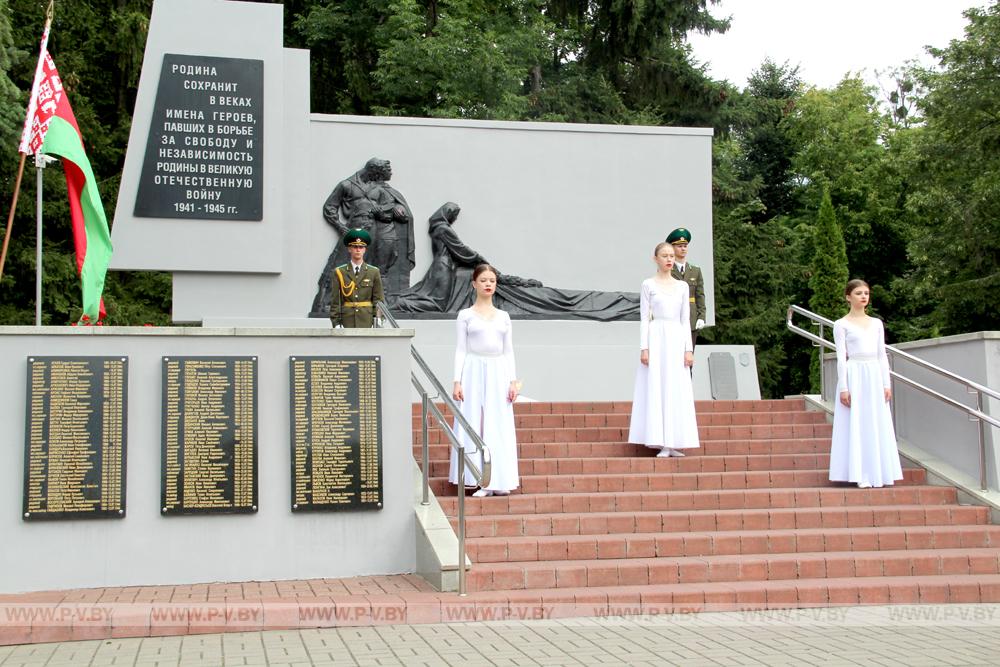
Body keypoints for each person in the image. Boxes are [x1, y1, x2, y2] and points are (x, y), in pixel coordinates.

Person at [449, 264, 520, 497]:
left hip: (499, 369)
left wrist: (513, 380)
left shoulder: (504, 316)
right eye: (484, 280)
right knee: (474, 420)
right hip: (472, 369)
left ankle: (499, 480)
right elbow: (461, 349)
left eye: (492, 280)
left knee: (498, 422)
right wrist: (457, 380)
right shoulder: (465, 315)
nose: (489, 284)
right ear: (474, 284)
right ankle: (479, 479)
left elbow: (508, 351)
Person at [310, 158, 414, 316]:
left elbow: (391, 203)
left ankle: (374, 305)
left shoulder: (378, 187)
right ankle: (327, 303)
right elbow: (330, 207)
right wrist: (341, 227)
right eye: (382, 174)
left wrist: (396, 207)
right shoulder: (347, 185)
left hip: (374, 233)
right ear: (374, 172)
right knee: (340, 266)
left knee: (372, 269)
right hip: (354, 230)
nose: (384, 177)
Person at [829, 279, 902, 488]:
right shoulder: (841, 324)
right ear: (848, 297)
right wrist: (844, 387)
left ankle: (879, 472)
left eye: (866, 293)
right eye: (859, 293)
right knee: (857, 422)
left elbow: (882, 355)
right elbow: (841, 358)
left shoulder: (877, 323)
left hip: (874, 375)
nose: (863, 297)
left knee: (876, 422)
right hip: (854, 374)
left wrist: (886, 383)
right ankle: (860, 473)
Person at [628, 243, 700, 457]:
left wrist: (688, 349)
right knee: (657, 385)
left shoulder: (682, 287)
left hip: (676, 338)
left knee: (675, 387)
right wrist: (644, 347)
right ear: (656, 258)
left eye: (671, 256)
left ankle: (674, 441)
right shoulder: (648, 284)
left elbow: (685, 319)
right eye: (665, 256)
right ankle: (660, 440)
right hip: (656, 336)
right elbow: (644, 318)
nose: (669, 259)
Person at [329, 229, 385, 329]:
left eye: (361, 247)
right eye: (355, 247)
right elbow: (335, 302)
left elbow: (378, 300)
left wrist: (378, 320)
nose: (358, 250)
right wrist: (336, 323)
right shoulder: (339, 272)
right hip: (347, 321)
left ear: (365, 249)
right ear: (349, 249)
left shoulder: (373, 272)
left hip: (367, 321)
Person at [666, 228, 706, 349]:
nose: (683, 248)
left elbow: (700, 295)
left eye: (685, 246)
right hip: (673, 318)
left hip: (691, 318)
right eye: (679, 246)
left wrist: (701, 317)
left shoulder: (695, 270)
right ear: (672, 248)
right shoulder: (667, 270)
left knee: (689, 356)